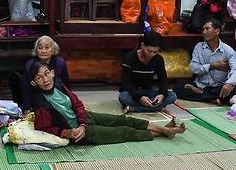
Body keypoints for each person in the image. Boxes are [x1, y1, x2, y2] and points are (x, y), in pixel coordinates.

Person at [29, 61, 186, 144]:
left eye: (47, 73)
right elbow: (43, 127)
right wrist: (68, 133)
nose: (45, 79)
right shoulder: (40, 102)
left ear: (53, 73)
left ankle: (165, 130)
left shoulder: (58, 84)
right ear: (34, 83)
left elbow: (77, 104)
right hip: (79, 133)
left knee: (122, 119)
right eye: (39, 77)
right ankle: (166, 132)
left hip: (84, 119)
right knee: (123, 132)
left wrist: (83, 122)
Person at [173, 19, 236, 105]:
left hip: (219, 86)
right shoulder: (199, 47)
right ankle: (211, 98)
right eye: (203, 29)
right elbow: (193, 68)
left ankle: (202, 94)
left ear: (217, 31)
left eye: (207, 29)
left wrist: (229, 83)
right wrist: (212, 66)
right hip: (200, 84)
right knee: (177, 87)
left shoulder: (228, 51)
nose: (204, 32)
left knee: (231, 92)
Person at [119, 31, 177, 113]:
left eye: (155, 52)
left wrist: (162, 95)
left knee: (172, 96)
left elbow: (163, 80)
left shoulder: (158, 59)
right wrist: (140, 97)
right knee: (123, 97)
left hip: (148, 92)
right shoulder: (129, 58)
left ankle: (135, 108)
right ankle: (156, 107)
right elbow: (125, 83)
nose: (151, 55)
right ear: (142, 45)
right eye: (149, 51)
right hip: (132, 92)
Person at [18, 36, 71, 112]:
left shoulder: (60, 63)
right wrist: (27, 108)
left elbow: (66, 85)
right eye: (40, 48)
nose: (43, 51)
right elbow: (26, 88)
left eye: (47, 48)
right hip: (39, 99)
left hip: (58, 98)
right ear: (36, 51)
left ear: (53, 50)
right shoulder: (30, 65)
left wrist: (71, 101)